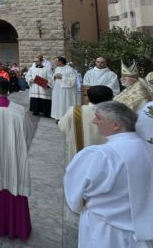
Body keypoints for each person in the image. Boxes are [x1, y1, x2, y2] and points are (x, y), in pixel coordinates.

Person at [64, 101, 153, 247]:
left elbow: (74, 191)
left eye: (98, 118)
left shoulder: (100, 155)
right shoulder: (149, 150)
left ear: (116, 125)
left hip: (104, 231)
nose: (93, 121)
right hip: (142, 234)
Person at [0, 77, 31, 240]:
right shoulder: (19, 110)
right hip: (12, 157)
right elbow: (27, 135)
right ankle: (15, 225)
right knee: (12, 182)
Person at [58, 85, 114, 163]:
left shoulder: (75, 111)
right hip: (104, 160)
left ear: (88, 98)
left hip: (78, 157)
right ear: (111, 99)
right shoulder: (115, 115)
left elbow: (62, 126)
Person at [51, 56, 78, 121]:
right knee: (58, 103)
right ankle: (58, 117)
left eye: (56, 61)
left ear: (60, 62)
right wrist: (54, 77)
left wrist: (62, 77)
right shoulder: (57, 68)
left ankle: (65, 118)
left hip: (66, 91)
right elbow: (54, 77)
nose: (54, 62)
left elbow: (73, 80)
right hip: (57, 90)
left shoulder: (70, 69)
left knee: (64, 103)